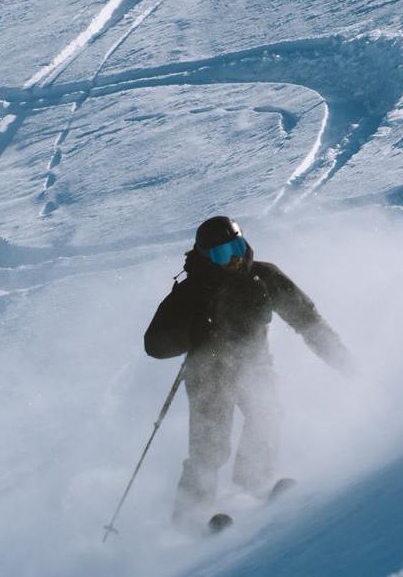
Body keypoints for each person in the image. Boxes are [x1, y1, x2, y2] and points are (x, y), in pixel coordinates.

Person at [144, 216, 351, 527]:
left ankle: (253, 486)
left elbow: (307, 321)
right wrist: (191, 332)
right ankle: (188, 519)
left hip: (255, 364)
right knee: (209, 448)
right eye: (221, 254)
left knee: (266, 414)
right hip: (207, 374)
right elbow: (154, 345)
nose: (234, 258)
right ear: (205, 256)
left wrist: (344, 362)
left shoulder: (263, 277)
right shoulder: (190, 293)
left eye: (236, 247)